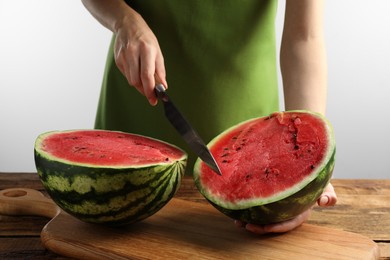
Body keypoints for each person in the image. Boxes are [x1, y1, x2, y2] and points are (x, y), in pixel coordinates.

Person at [81, 0, 337, 234]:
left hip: (250, 129)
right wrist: (124, 20)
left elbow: (304, 37)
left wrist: (309, 170)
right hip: (136, 106)